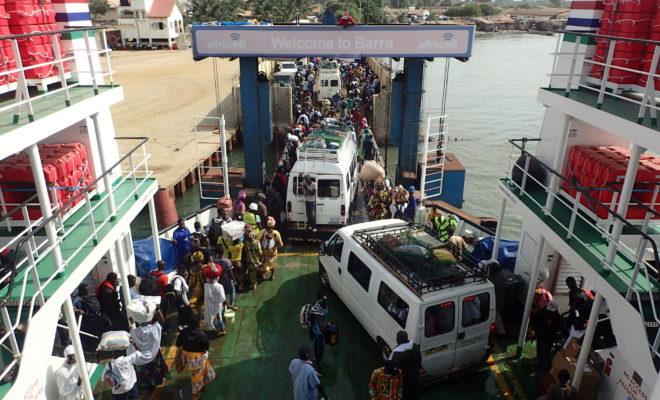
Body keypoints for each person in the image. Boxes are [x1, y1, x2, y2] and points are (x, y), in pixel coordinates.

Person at [129, 303, 168, 392]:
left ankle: (148, 387)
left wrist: (132, 321)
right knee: (155, 371)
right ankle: (157, 382)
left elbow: (131, 331)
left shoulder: (135, 332)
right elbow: (161, 321)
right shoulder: (155, 328)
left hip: (142, 359)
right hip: (154, 355)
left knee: (146, 374)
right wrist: (157, 310)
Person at [175, 313, 215, 400]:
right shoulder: (201, 334)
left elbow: (178, 343)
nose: (202, 321)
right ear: (198, 323)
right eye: (201, 320)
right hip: (198, 359)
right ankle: (195, 394)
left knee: (198, 373)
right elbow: (206, 346)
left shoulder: (184, 332)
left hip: (188, 358)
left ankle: (201, 385)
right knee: (196, 377)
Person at [389, 330, 422, 400]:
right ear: (407, 338)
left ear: (398, 340)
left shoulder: (395, 354)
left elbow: (391, 370)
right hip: (414, 379)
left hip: (403, 382)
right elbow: (419, 361)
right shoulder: (415, 347)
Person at [533, 301, 563, 371]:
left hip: (546, 336)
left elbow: (561, 327)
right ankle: (542, 365)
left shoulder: (552, 315)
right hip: (544, 336)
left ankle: (543, 366)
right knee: (543, 351)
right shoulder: (550, 314)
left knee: (544, 352)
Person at [309, 294, 328, 370]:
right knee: (320, 347)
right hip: (319, 332)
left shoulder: (317, 308)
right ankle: (317, 363)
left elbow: (312, 321)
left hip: (317, 331)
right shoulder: (321, 310)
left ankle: (316, 359)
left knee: (318, 345)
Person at [488, 261, 507, 336]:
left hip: (495, 302)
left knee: (497, 317)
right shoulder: (501, 277)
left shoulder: (491, 280)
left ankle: (502, 332)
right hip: (500, 300)